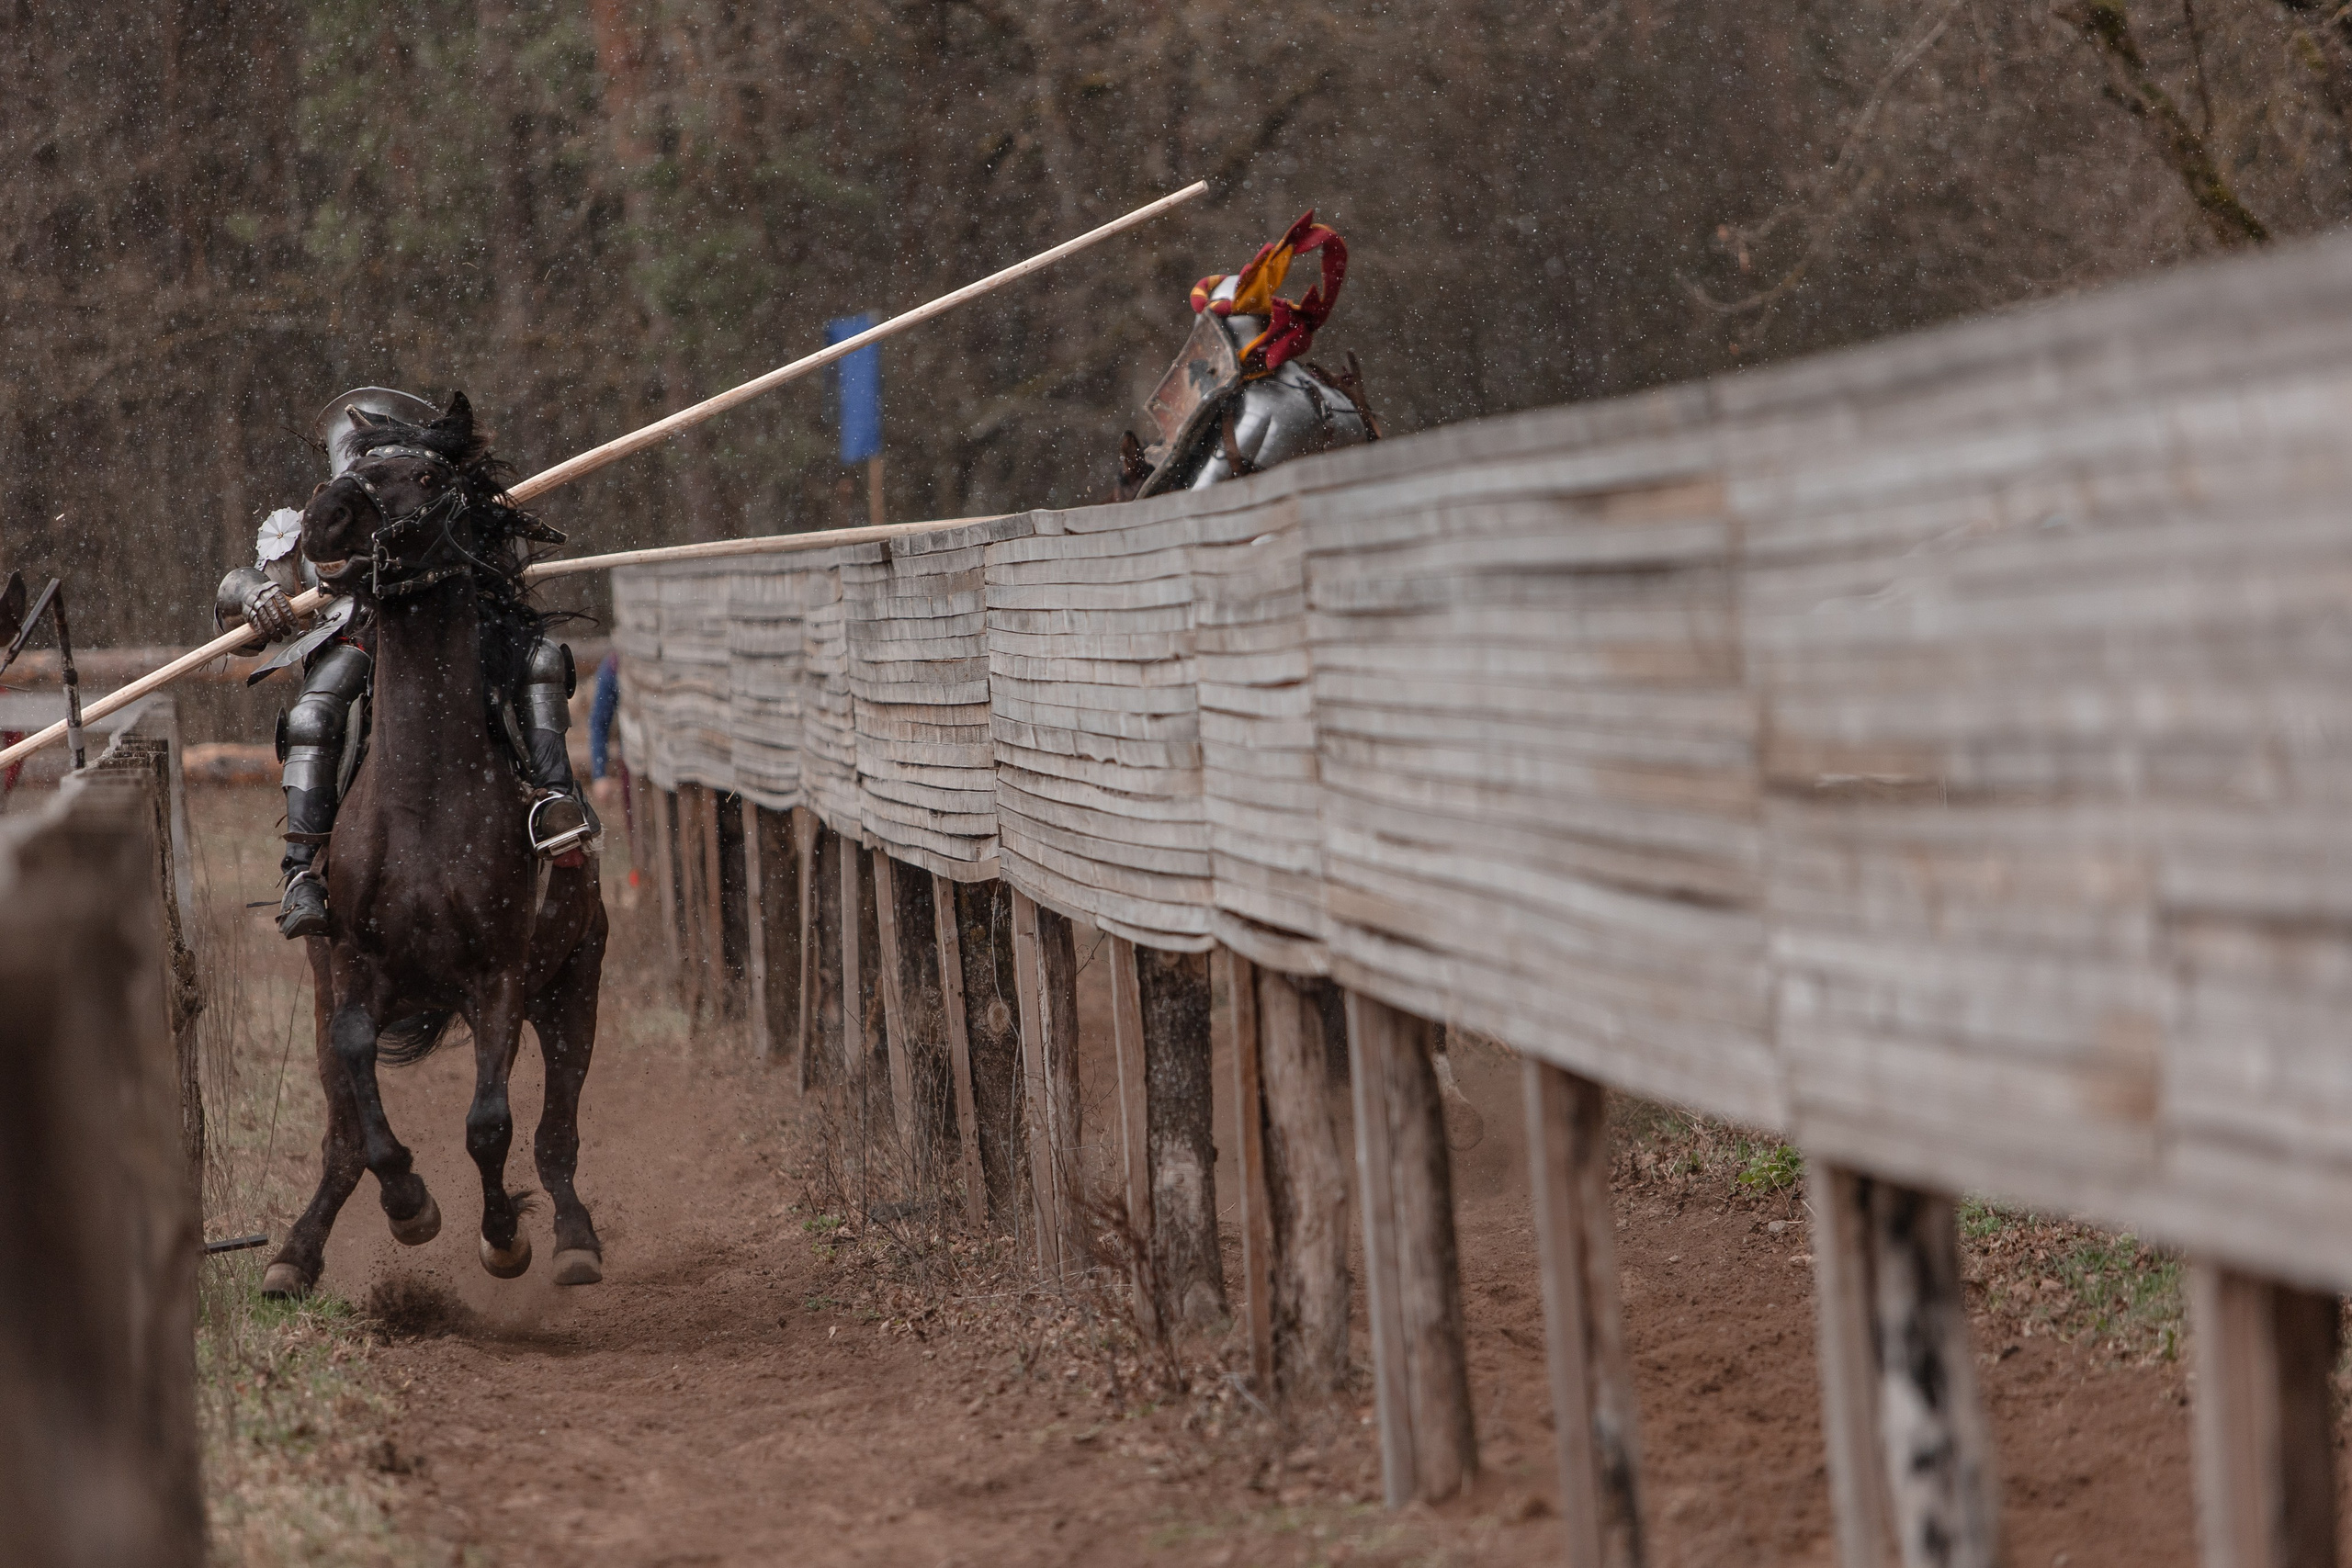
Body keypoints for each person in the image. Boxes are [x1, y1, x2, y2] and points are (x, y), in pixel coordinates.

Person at [215, 388, 594, 940]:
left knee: (537, 659)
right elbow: (236, 611)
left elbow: (493, 578)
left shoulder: (444, 505)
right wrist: (255, 597)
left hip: (450, 635)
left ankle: (554, 803)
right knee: (313, 716)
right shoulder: (319, 520)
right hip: (360, 638)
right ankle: (302, 872)